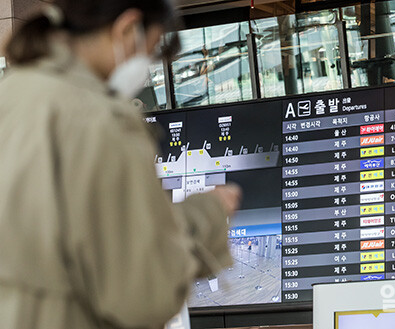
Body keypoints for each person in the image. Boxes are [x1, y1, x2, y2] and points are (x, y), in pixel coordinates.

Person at [0, 1, 241, 328]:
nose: (147, 69)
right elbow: (140, 294)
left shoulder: (12, 95)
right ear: (128, 28)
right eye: (152, 50)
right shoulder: (100, 119)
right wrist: (208, 215)